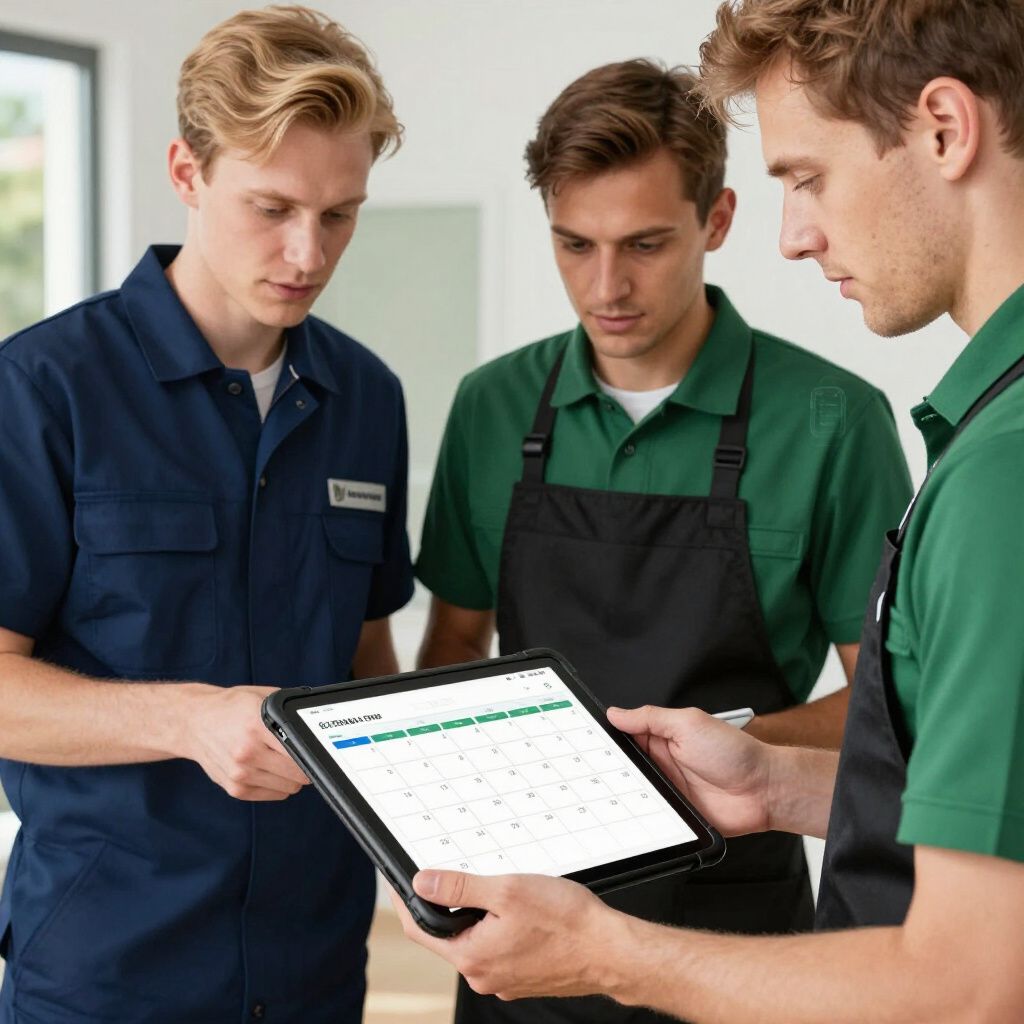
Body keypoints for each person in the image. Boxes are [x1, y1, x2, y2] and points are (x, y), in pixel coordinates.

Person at [394, 0, 1024, 1020]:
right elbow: (952, 787)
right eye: (572, 244)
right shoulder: (493, 408)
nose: (796, 235)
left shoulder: (953, 456)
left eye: (807, 177)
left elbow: (967, 980)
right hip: (536, 924)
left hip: (742, 934)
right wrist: (771, 779)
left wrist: (616, 937)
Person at [0, 7, 412, 1022]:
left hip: (317, 962)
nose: (307, 253)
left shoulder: (367, 397)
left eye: (340, 213)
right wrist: (190, 719)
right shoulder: (44, 388)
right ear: (186, 173)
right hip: (105, 974)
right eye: (271, 207)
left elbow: (367, 661)